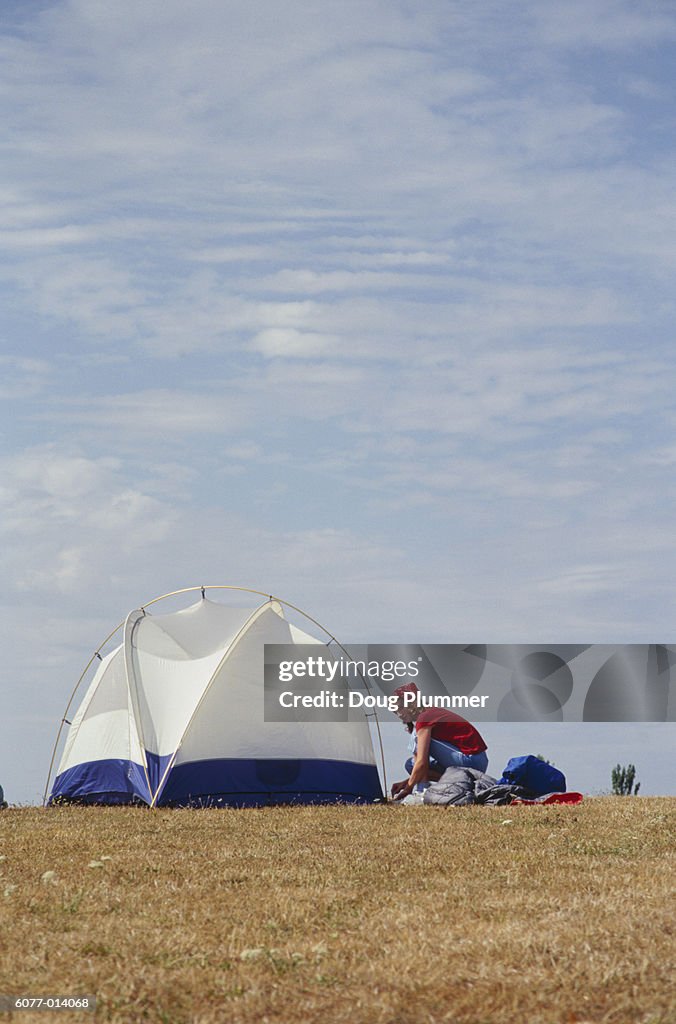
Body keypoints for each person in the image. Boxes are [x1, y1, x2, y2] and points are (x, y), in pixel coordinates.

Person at [390, 682, 489, 801]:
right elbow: (419, 764)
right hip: (469, 762)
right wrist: (406, 782)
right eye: (395, 711)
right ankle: (465, 782)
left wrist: (408, 789)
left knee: (417, 739)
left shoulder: (425, 717)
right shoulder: (427, 715)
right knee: (411, 765)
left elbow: (421, 761)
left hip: (472, 760)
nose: (399, 714)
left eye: (401, 707)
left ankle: (421, 790)